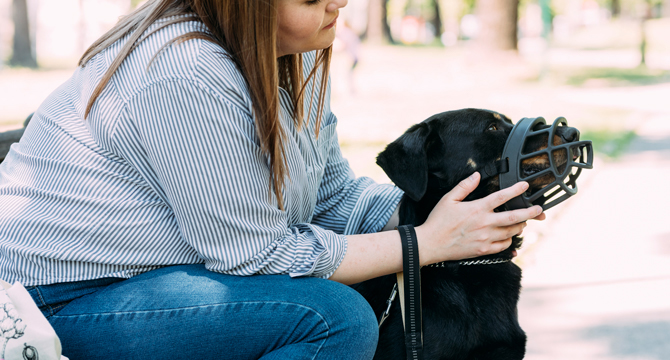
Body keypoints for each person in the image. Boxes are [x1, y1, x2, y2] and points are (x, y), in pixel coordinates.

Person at [0, 0, 544, 359]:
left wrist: (461, 209)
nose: (338, 0)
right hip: (57, 301)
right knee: (331, 318)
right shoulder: (185, 73)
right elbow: (255, 255)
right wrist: (423, 242)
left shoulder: (292, 61)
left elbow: (334, 200)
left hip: (153, 279)